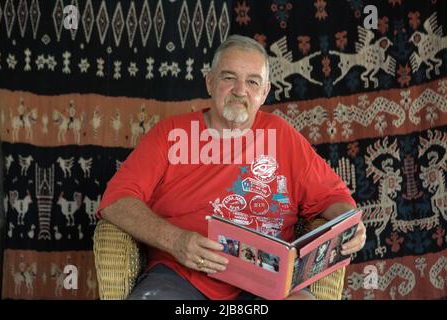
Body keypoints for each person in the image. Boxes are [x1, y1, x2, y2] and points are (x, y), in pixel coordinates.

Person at [97, 34, 366, 300]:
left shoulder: (282, 136)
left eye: (252, 81)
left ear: (264, 92)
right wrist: (176, 241)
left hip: (265, 282)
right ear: (210, 82)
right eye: (228, 78)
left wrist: (350, 224)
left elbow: (334, 198)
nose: (240, 90)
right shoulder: (170, 134)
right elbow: (116, 201)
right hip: (182, 275)